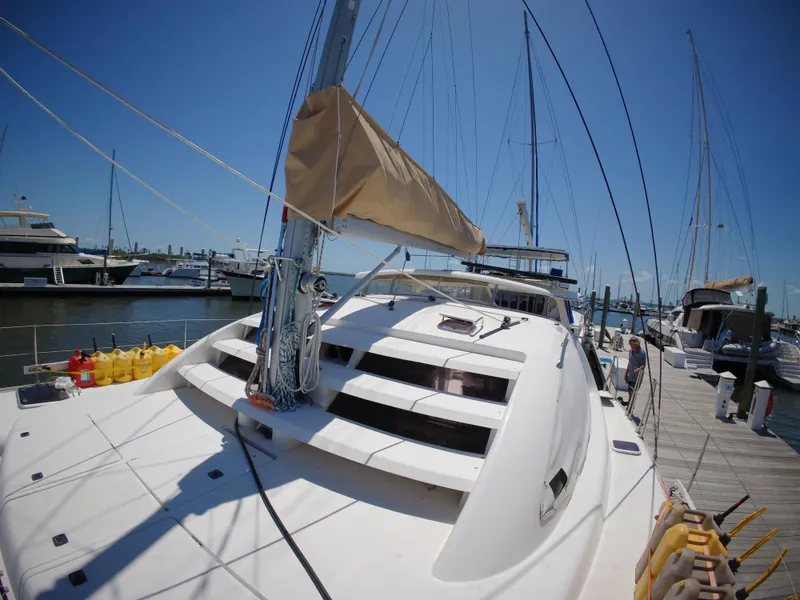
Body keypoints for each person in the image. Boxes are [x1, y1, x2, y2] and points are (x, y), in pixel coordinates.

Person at [625, 336, 647, 405]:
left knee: (632, 393)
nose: (631, 346)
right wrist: (626, 374)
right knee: (629, 392)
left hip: (637, 378)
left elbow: (643, 365)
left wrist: (638, 369)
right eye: (630, 345)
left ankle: (629, 408)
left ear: (636, 344)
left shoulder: (642, 353)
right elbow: (629, 363)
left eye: (632, 345)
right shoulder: (630, 351)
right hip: (630, 376)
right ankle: (629, 406)